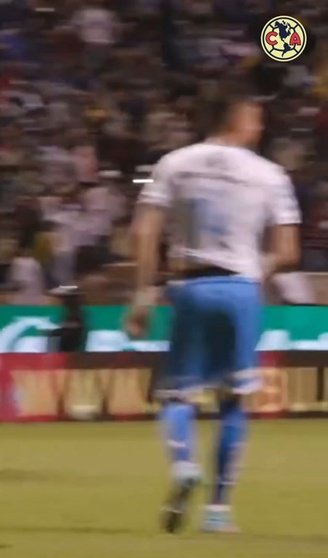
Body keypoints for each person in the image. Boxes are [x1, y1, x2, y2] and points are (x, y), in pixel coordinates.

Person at [124, 83, 300, 534]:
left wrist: (143, 293)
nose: (259, 126)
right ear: (237, 118)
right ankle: (219, 509)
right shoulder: (270, 174)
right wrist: (256, 270)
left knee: (176, 394)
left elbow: (145, 232)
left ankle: (183, 464)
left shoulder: (174, 163)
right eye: (255, 118)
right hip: (240, 287)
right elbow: (287, 250)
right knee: (234, 400)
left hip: (190, 285)